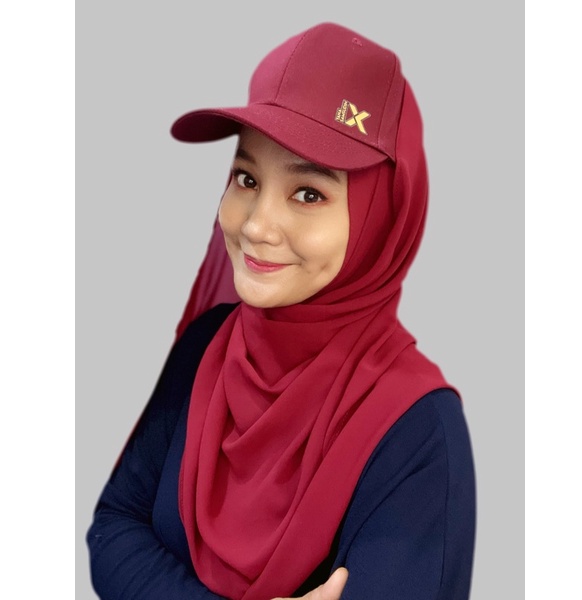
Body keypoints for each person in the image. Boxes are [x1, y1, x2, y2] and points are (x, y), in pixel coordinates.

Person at [87, 22, 476, 600]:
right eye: (247, 178)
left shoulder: (418, 433)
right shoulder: (207, 347)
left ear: (383, 219)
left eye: (309, 193)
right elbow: (113, 532)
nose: (255, 225)